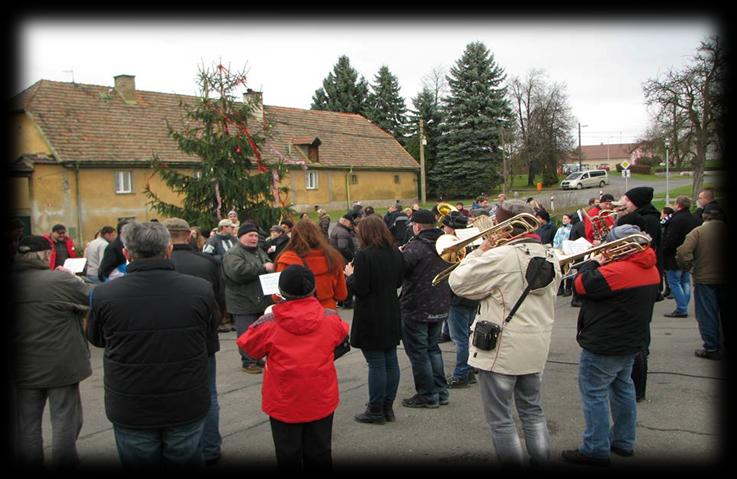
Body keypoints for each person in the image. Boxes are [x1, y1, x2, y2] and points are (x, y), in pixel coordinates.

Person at [87, 221, 218, 468]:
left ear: (126, 253)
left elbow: (96, 338)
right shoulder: (200, 289)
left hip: (131, 402)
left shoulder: (105, 294)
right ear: (168, 250)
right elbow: (209, 337)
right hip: (185, 400)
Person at [449, 199, 561, 467]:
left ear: (506, 227)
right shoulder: (552, 256)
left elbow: (458, 282)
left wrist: (480, 251)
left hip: (501, 347)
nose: (494, 230)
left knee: (501, 419)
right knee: (532, 411)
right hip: (536, 345)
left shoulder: (501, 256)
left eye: (497, 225)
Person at [561, 225, 659, 466]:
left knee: (594, 393)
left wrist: (593, 261)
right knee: (623, 388)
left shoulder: (617, 271)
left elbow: (582, 285)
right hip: (631, 340)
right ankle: (624, 441)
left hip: (606, 342)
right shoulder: (649, 266)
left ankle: (595, 448)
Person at [237, 265, 349, 472]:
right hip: (320, 396)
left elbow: (247, 346)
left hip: (283, 399)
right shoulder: (330, 317)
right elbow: (342, 336)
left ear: (281, 291)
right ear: (312, 288)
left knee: (287, 454)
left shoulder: (270, 322)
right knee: (320, 452)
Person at [12, 235, 94, 469]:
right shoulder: (59, 280)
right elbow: (93, 297)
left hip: (24, 367)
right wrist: (72, 279)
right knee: (65, 421)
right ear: (47, 254)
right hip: (62, 364)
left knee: (27, 424)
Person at [163, 218, 224, 466]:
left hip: (165, 341)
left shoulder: (161, 264)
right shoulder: (207, 262)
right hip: (202, 339)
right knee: (208, 393)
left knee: (169, 394)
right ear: (189, 235)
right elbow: (219, 304)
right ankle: (210, 447)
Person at [344, 215, 406, 424]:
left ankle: (376, 408)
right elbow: (399, 280)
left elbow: (360, 288)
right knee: (390, 361)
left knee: (377, 363)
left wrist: (349, 275)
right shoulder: (395, 252)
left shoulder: (364, 255)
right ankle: (387, 407)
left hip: (371, 313)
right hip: (390, 310)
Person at [398, 209, 452, 409]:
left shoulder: (415, 247)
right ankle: (441, 392)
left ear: (418, 226)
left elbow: (399, 271)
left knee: (419, 352)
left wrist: (399, 253)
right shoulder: (446, 243)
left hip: (416, 306)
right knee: (433, 349)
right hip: (440, 303)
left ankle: (428, 395)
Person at [677, 203, 727, 360]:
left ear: (705, 216)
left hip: (705, 277)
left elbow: (683, 252)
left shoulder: (699, 232)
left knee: (707, 313)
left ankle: (711, 347)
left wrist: (688, 267)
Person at [222, 223, 275, 373]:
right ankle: (248, 361)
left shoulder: (258, 251)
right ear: (241, 237)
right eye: (250, 236)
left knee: (258, 332)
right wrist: (263, 268)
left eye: (256, 236)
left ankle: (256, 358)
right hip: (242, 300)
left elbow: (266, 264)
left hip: (257, 299)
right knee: (246, 332)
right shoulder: (234, 253)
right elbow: (237, 272)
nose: (254, 239)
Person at [440, 211, 480, 388]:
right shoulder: (475, 242)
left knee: (460, 338)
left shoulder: (456, 246)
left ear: (452, 227)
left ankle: (462, 373)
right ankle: (470, 370)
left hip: (458, 296)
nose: (443, 229)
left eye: (445, 226)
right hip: (473, 295)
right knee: (468, 335)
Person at [274, 220, 348, 309]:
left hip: (297, 312)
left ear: (294, 236)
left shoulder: (287, 260)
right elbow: (341, 295)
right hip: (327, 312)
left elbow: (277, 297)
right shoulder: (332, 257)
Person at [661, 196, 700, 318]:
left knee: (674, 282)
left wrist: (664, 250)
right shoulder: (695, 219)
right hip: (690, 254)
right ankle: (684, 304)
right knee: (685, 281)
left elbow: (670, 239)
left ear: (678, 205)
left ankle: (682, 308)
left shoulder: (676, 220)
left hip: (674, 255)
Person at [329, 212, 358, 308]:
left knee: (340, 280)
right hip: (343, 260)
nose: (351, 225)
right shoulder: (343, 232)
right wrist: (352, 258)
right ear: (345, 221)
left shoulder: (337, 229)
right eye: (350, 223)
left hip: (337, 258)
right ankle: (348, 302)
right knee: (346, 281)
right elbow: (343, 247)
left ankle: (342, 301)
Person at [553, 213, 574, 296]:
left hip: (568, 252)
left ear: (570, 220)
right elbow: (556, 239)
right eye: (563, 218)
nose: (564, 220)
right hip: (559, 252)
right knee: (560, 270)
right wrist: (556, 249)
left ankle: (568, 288)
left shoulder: (571, 229)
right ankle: (561, 288)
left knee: (568, 270)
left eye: (565, 218)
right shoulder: (560, 229)